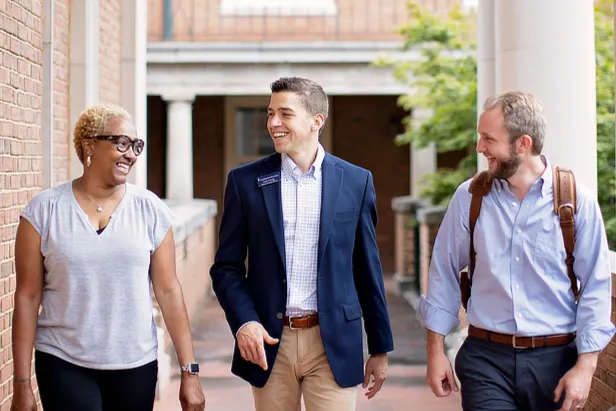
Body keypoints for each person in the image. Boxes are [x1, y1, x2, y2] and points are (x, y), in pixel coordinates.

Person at [420, 91, 615, 411]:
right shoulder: (470, 197)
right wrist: (435, 351)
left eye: (488, 139)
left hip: (556, 361)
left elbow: (595, 285)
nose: (479, 148)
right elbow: (443, 270)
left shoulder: (575, 199)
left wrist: (586, 366)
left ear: (522, 144)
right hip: (486, 360)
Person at [210, 77, 394, 411]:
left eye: (284, 114)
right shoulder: (245, 182)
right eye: (270, 114)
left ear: (316, 121)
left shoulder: (356, 181)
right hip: (270, 342)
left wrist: (380, 347)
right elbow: (226, 268)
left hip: (333, 341)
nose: (273, 123)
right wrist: (244, 322)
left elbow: (367, 267)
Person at [11, 104, 206, 411]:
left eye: (136, 146)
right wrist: (21, 383)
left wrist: (189, 371)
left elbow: (169, 291)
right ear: (89, 145)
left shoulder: (150, 210)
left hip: (135, 364)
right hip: (63, 361)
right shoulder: (44, 212)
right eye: (122, 143)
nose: (130, 153)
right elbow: (27, 296)